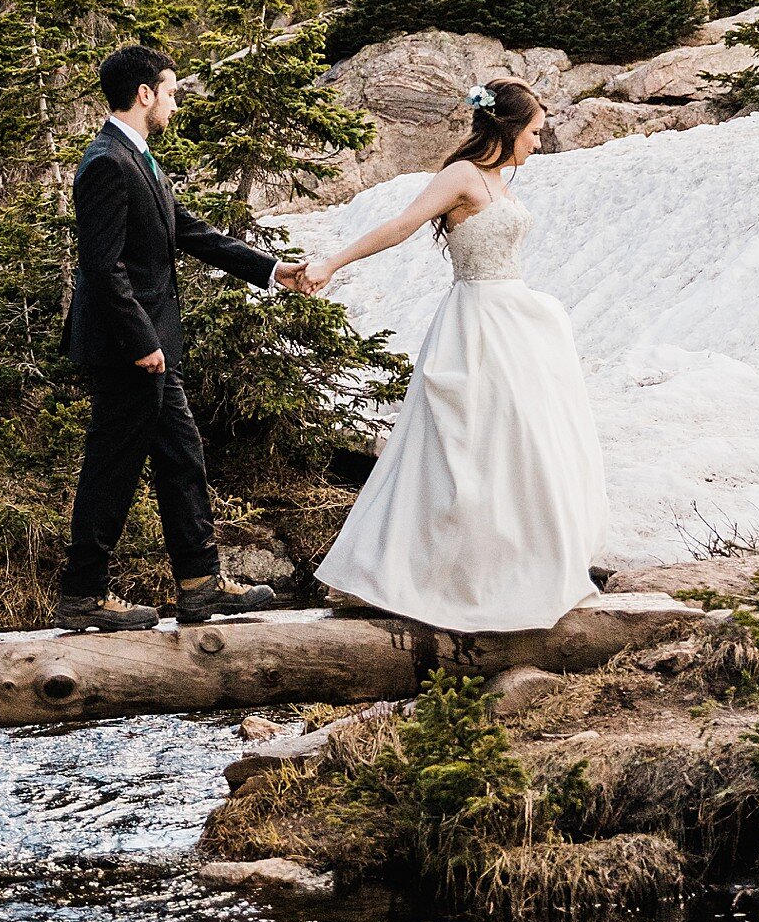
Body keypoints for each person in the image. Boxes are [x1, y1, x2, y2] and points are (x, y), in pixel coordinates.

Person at [300, 79, 606, 633]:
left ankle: (519, 565)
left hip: (514, 320)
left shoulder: (496, 181)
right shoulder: (463, 176)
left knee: (518, 444)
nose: (539, 143)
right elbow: (402, 225)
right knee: (462, 447)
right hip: (476, 323)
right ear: (509, 127)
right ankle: (437, 575)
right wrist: (332, 264)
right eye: (535, 132)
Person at [59, 41, 304, 634]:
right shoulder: (106, 163)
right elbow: (103, 265)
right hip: (129, 348)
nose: (174, 102)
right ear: (144, 94)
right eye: (170, 91)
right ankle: (84, 594)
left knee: (180, 455)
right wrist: (143, 341)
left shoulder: (136, 156)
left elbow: (186, 232)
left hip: (149, 347)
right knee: (113, 466)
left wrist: (272, 270)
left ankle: (199, 585)